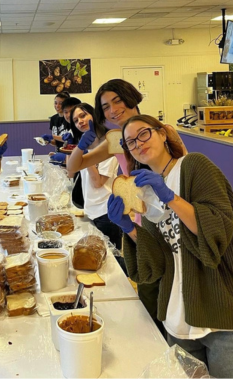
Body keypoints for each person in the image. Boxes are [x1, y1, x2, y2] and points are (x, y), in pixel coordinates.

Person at [107, 115, 233, 378]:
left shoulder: (194, 166)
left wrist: (170, 196)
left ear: (162, 133)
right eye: (130, 142)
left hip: (221, 312)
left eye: (144, 134)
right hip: (178, 319)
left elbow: (219, 229)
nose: (138, 144)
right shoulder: (145, 194)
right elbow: (157, 262)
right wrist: (128, 228)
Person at [66, 78, 186, 336]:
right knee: (149, 291)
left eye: (117, 101)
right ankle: (158, 352)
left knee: (176, 294)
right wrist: (82, 144)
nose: (112, 110)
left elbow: (185, 175)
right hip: (140, 228)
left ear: (131, 97)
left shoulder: (161, 130)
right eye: (106, 107)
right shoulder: (115, 139)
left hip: (171, 224)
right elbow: (73, 166)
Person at [69, 103, 127, 275]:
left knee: (110, 265)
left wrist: (85, 158)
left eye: (83, 115)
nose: (80, 121)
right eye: (76, 120)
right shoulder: (89, 146)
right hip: (92, 210)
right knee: (94, 262)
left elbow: (97, 182)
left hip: (106, 212)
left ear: (94, 115)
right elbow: (71, 173)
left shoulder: (109, 145)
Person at [49, 96, 81, 166]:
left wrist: (66, 158)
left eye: (72, 111)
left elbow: (88, 155)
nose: (69, 115)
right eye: (66, 112)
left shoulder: (84, 128)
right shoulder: (73, 129)